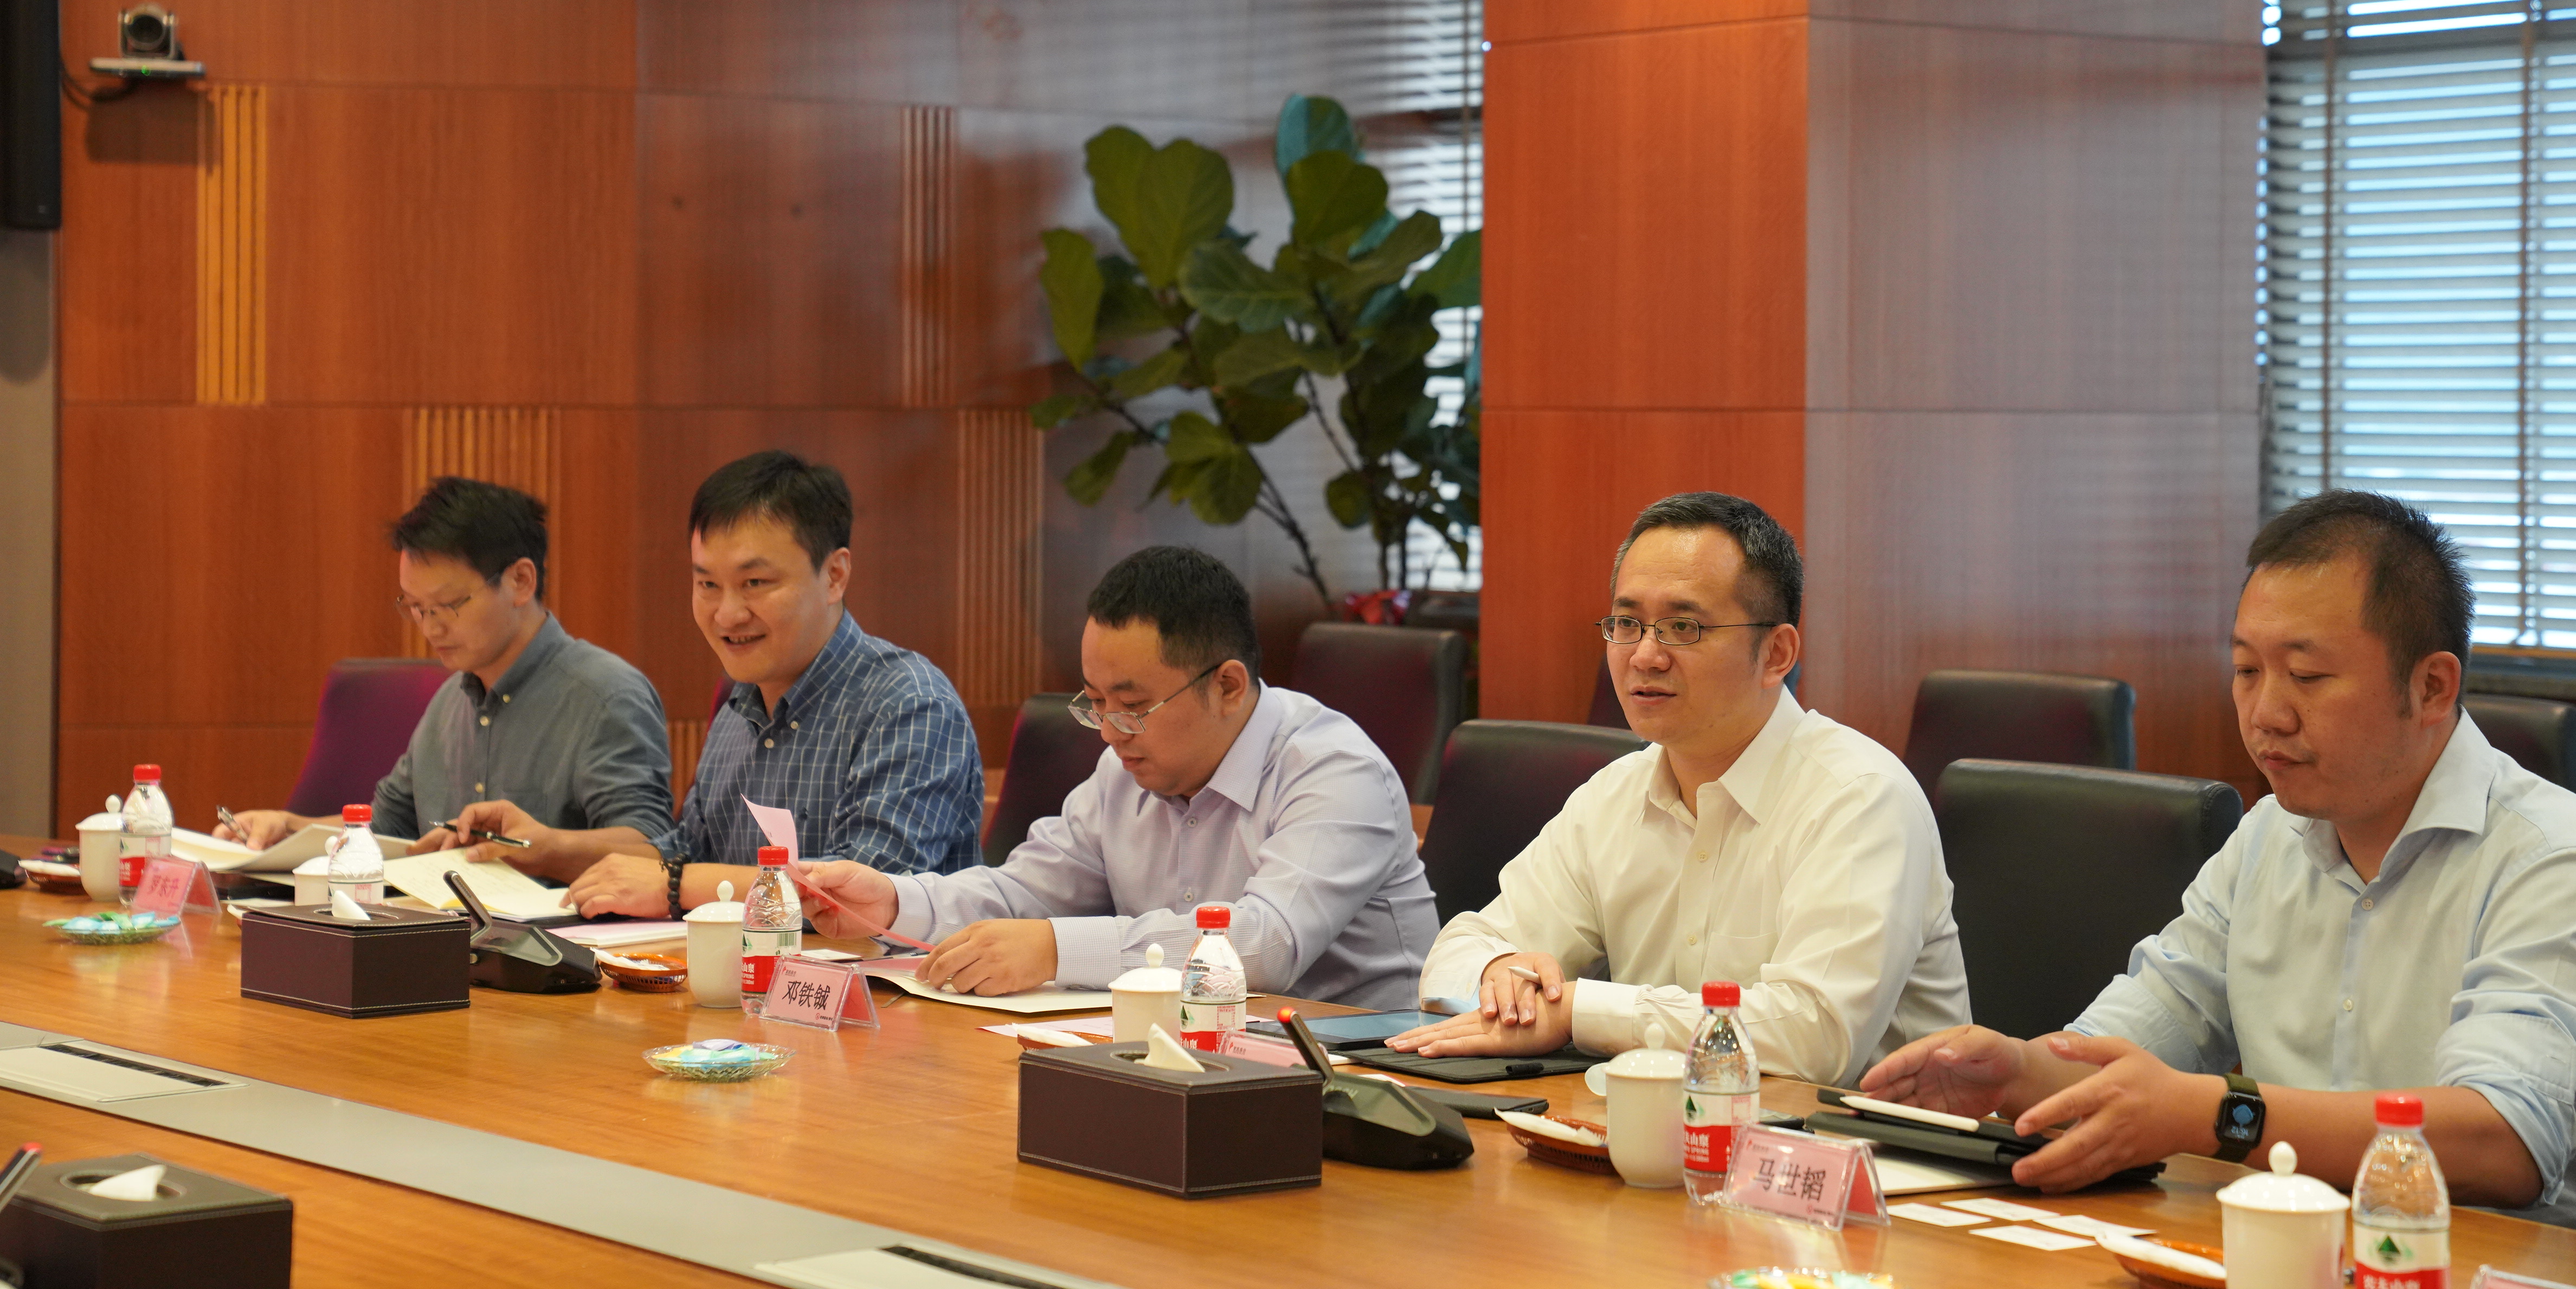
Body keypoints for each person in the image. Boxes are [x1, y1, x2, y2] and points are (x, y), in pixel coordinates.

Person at [1859, 490, 2576, 1216]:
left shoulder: (2550, 856)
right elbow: (2142, 1034)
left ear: (2431, 687)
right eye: (2246, 671)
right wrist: (2016, 1072)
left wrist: (2220, 1116)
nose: (2266, 714)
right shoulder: (2268, 836)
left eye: (2307, 677)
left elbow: (2506, 1143)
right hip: (2279, 1246)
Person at [1385, 491, 1970, 1086]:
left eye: (1683, 628)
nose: (1644, 655)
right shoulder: (1614, 795)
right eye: (1627, 624)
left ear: (1777, 654)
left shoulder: (1860, 797)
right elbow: (1459, 953)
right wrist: (1502, 974)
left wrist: (1578, 1011)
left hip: (1851, 1140)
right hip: (1656, 1128)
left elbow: (1815, 1037)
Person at [792, 544, 1438, 1005]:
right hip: (1189, 1058)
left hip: (1367, 1080)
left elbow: (1263, 947)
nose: (1107, 732)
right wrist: (893, 902)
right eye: (1095, 702)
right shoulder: (1124, 770)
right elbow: (1026, 893)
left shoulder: (1333, 770)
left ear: (1228, 686)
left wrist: (1055, 950)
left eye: (1132, 706)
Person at [449, 450, 984, 919]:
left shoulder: (909, 703)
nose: (727, 614)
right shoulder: (739, 705)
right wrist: (542, 848)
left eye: (755, 583)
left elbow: (862, 900)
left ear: (835, 576)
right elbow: (686, 852)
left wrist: (675, 887)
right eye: (707, 583)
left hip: (884, 997)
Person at [221, 478, 674, 873]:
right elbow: (388, 828)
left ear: (520, 581)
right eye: (416, 607)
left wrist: (538, 848)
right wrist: (288, 829)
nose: (430, 628)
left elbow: (652, 848)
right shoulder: (450, 700)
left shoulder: (606, 696)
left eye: (448, 606)